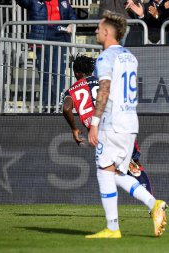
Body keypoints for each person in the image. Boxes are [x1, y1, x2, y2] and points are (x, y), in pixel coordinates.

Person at [86, 11, 167, 238]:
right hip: (130, 122)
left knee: (104, 172)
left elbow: (104, 90)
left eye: (99, 27)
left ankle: (112, 228)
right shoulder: (130, 56)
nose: (95, 30)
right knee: (117, 174)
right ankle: (154, 204)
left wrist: (94, 123)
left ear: (107, 31)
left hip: (112, 123)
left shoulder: (105, 58)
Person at [61, 54, 153, 195]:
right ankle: (152, 205)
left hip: (100, 136)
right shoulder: (103, 82)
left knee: (111, 173)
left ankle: (145, 204)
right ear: (91, 71)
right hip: (118, 126)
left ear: (76, 73)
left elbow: (67, 108)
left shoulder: (71, 91)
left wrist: (74, 129)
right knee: (133, 167)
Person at [16, 0, 77, 111]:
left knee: (59, 73)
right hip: (42, 41)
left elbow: (72, 15)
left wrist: (71, 24)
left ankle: (60, 103)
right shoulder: (34, 1)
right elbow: (23, 2)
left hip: (61, 39)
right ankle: (46, 104)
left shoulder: (63, 1)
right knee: (45, 74)